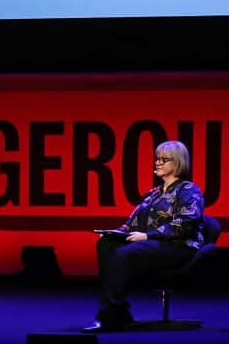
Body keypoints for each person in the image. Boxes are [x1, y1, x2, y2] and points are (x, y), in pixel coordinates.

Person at [85, 140, 205, 332]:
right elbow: (131, 224)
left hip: (178, 247)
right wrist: (115, 234)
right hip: (151, 245)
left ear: (178, 162)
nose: (158, 163)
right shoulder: (152, 194)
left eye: (164, 159)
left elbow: (186, 223)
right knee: (107, 245)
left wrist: (148, 236)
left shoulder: (189, 190)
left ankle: (109, 316)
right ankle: (120, 312)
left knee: (126, 254)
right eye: (157, 159)